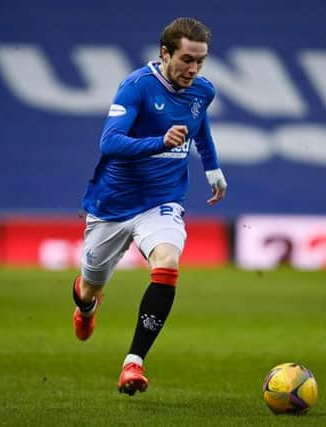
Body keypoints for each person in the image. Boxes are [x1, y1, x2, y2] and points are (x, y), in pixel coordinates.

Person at [72, 17, 227, 395]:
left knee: (167, 262)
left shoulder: (202, 91)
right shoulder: (137, 87)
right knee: (89, 287)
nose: (193, 69)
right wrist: (160, 142)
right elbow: (109, 143)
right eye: (186, 59)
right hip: (113, 205)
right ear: (165, 52)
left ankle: (133, 363)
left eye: (200, 61)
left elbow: (198, 124)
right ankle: (88, 305)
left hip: (163, 200)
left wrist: (212, 168)